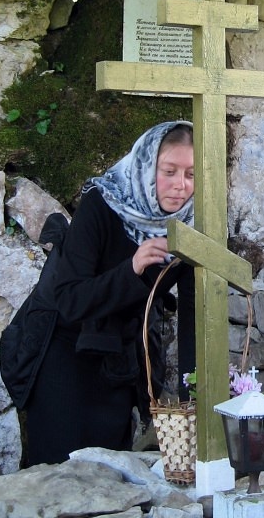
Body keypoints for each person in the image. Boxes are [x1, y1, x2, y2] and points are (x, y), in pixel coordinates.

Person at [20, 120, 197, 467]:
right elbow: (69, 299)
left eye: (191, 174)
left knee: (112, 478)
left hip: (120, 364)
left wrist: (194, 396)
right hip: (67, 363)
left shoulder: (188, 224)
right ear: (147, 166)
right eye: (169, 171)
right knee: (59, 479)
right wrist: (130, 269)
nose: (180, 186)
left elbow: (194, 308)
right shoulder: (103, 204)